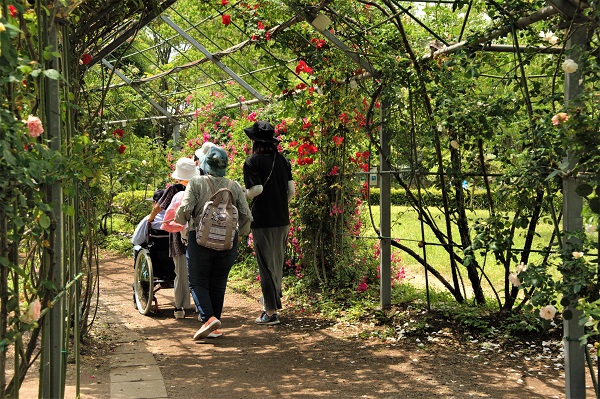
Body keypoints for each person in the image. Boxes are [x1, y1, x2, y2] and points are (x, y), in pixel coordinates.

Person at [175, 146, 252, 340]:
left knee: (197, 282)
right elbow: (246, 216)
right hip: (227, 242)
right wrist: (239, 236)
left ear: (205, 164)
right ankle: (214, 326)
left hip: (199, 239)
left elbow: (186, 208)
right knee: (218, 284)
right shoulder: (233, 185)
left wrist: (181, 221)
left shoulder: (196, 182)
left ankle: (209, 319)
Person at [242, 121, 295, 326]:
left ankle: (271, 312)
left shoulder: (251, 162)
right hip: (282, 219)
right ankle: (272, 301)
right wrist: (279, 204)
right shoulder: (283, 161)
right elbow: (291, 192)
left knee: (265, 265)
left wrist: (243, 193)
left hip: (262, 219)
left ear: (255, 140)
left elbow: (257, 190)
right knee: (276, 263)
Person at [148, 157, 197, 319]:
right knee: (198, 273)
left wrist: (150, 219)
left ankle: (179, 308)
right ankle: (199, 307)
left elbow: (158, 207)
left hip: (177, 236)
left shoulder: (174, 189)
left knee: (180, 272)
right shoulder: (199, 186)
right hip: (197, 235)